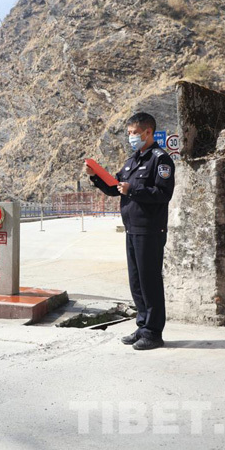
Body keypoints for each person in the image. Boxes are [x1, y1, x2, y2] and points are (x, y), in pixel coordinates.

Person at [85, 112, 175, 351]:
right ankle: (142, 326)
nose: (131, 137)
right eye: (129, 133)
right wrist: (96, 178)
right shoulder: (132, 161)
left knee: (149, 281)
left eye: (134, 133)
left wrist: (132, 190)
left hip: (150, 229)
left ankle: (153, 333)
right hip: (132, 229)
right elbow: (115, 188)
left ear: (148, 132)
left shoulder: (160, 160)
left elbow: (163, 194)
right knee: (136, 282)